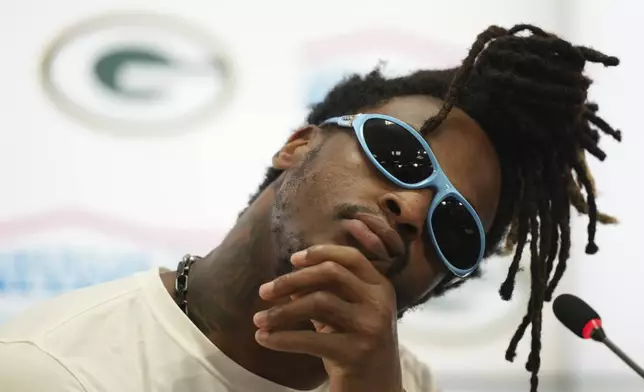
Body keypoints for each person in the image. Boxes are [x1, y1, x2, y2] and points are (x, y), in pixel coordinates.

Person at [0, 24, 621, 392]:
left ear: (438, 283)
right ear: (297, 145)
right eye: (400, 154)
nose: (410, 208)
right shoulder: (51, 369)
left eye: (454, 227)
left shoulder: (404, 381)